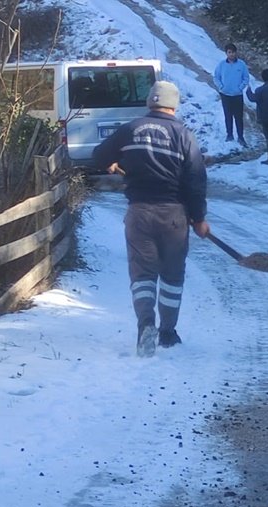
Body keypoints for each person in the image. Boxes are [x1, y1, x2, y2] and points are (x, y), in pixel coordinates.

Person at [92, 81, 209, 357]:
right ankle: (167, 332)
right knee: (171, 275)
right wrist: (199, 217)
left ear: (150, 102)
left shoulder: (130, 129)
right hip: (174, 217)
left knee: (142, 275)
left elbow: (99, 156)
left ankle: (146, 326)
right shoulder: (183, 134)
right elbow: (196, 179)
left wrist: (110, 162)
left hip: (139, 213)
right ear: (174, 104)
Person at [213, 43, 250, 145]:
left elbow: (246, 78)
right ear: (226, 53)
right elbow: (216, 77)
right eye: (229, 52)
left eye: (233, 52)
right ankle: (229, 135)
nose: (232, 54)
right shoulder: (221, 65)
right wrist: (221, 87)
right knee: (227, 116)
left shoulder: (241, 64)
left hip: (237, 95)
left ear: (236, 52)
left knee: (239, 117)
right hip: (225, 95)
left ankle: (241, 137)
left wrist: (240, 88)